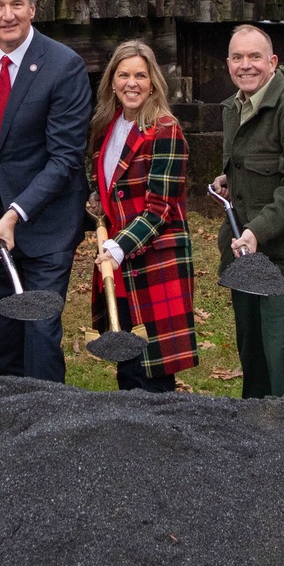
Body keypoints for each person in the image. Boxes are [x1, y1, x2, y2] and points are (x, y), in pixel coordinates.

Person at [0, 0, 92, 382]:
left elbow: (65, 158)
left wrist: (15, 214)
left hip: (46, 222)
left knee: (39, 328)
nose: (8, 14)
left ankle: (47, 424)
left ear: (33, 8)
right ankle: (11, 415)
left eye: (17, 4)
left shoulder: (63, 66)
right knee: (4, 329)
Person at [212, 24, 284, 401]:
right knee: (255, 363)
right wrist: (230, 180)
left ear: (273, 61)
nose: (246, 65)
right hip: (245, 261)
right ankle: (257, 447)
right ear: (228, 63)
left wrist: (257, 231)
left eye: (255, 57)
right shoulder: (234, 107)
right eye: (238, 57)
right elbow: (258, 167)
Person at [90, 40, 198, 392]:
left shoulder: (165, 129)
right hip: (117, 264)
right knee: (128, 366)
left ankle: (161, 442)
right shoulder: (109, 126)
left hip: (151, 263)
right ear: (112, 81)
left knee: (153, 375)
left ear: (153, 82)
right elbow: (112, 189)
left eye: (140, 75)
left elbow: (160, 207)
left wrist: (118, 248)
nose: (131, 83)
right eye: (123, 75)